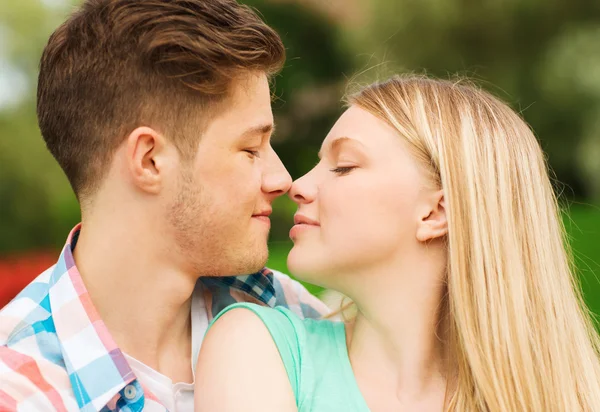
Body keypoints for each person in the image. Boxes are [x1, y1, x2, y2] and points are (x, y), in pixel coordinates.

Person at [195, 75, 600, 411]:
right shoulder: (258, 347)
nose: (298, 186)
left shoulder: (569, 393)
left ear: (435, 213)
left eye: (343, 167)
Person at [0, 0, 329, 410]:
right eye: (250, 148)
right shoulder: (19, 391)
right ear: (150, 160)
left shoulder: (291, 314)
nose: (282, 179)